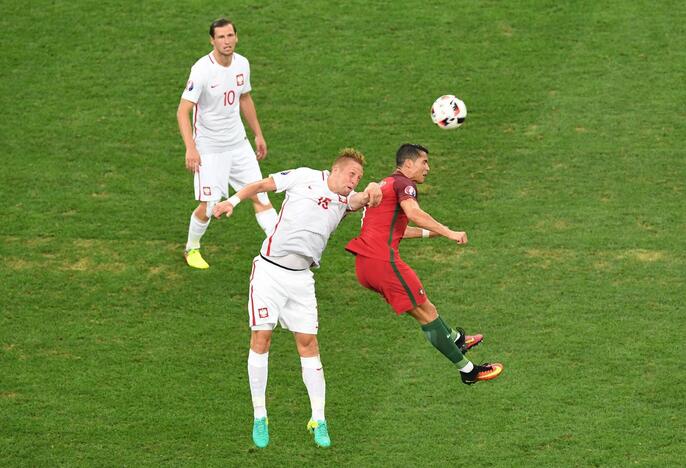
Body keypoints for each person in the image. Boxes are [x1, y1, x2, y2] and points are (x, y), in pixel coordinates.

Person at [212, 149, 382, 449]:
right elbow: (260, 186)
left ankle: (319, 419)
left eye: (359, 177)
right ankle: (260, 416)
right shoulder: (303, 177)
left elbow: (365, 197)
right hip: (269, 273)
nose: (354, 181)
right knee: (261, 338)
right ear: (336, 170)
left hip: (301, 279)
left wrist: (371, 189)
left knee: (308, 344)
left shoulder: (347, 200)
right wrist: (231, 201)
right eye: (352, 175)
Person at [345, 143, 504, 386]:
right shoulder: (404, 184)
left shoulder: (386, 184)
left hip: (365, 266)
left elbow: (396, 229)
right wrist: (449, 232)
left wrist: (433, 234)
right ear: (408, 164)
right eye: (424, 162)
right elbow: (414, 213)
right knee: (426, 314)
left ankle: (456, 338)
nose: (428, 168)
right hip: (382, 262)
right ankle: (468, 370)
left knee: (424, 305)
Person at [177, 18, 278, 269]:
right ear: (212, 40)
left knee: (260, 194)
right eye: (221, 37)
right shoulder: (201, 70)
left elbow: (244, 98)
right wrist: (191, 147)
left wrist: (258, 133)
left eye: (230, 35)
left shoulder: (242, 63)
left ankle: (281, 248)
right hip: (210, 150)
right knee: (209, 206)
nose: (227, 41)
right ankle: (192, 248)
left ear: (236, 37)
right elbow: (183, 111)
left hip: (238, 145)